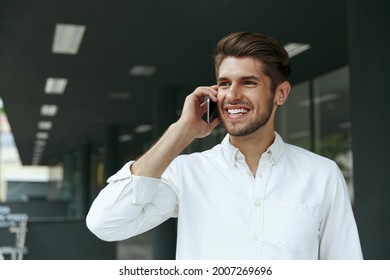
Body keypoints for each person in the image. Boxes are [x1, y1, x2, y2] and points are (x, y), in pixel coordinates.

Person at [86, 32, 363, 260]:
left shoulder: (322, 174)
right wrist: (182, 131)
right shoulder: (186, 174)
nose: (232, 95)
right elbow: (105, 223)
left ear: (281, 93)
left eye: (248, 82)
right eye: (224, 83)